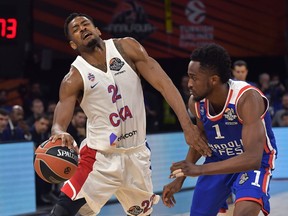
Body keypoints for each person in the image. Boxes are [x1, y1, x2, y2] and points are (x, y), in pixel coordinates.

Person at [49, 12, 210, 216]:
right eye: (76, 29)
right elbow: (59, 122)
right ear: (73, 44)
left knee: (142, 214)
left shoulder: (126, 48)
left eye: (85, 24)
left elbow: (164, 84)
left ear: (97, 30)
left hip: (136, 155)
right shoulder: (74, 77)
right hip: (99, 157)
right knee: (63, 210)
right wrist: (59, 131)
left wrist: (187, 126)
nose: (82, 29)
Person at [162, 43, 277, 216]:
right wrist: (180, 178)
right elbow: (202, 140)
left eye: (194, 78)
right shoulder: (196, 103)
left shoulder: (246, 98)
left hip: (253, 162)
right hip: (218, 159)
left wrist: (199, 170)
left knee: (243, 213)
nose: (190, 84)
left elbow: (253, 158)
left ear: (213, 80)